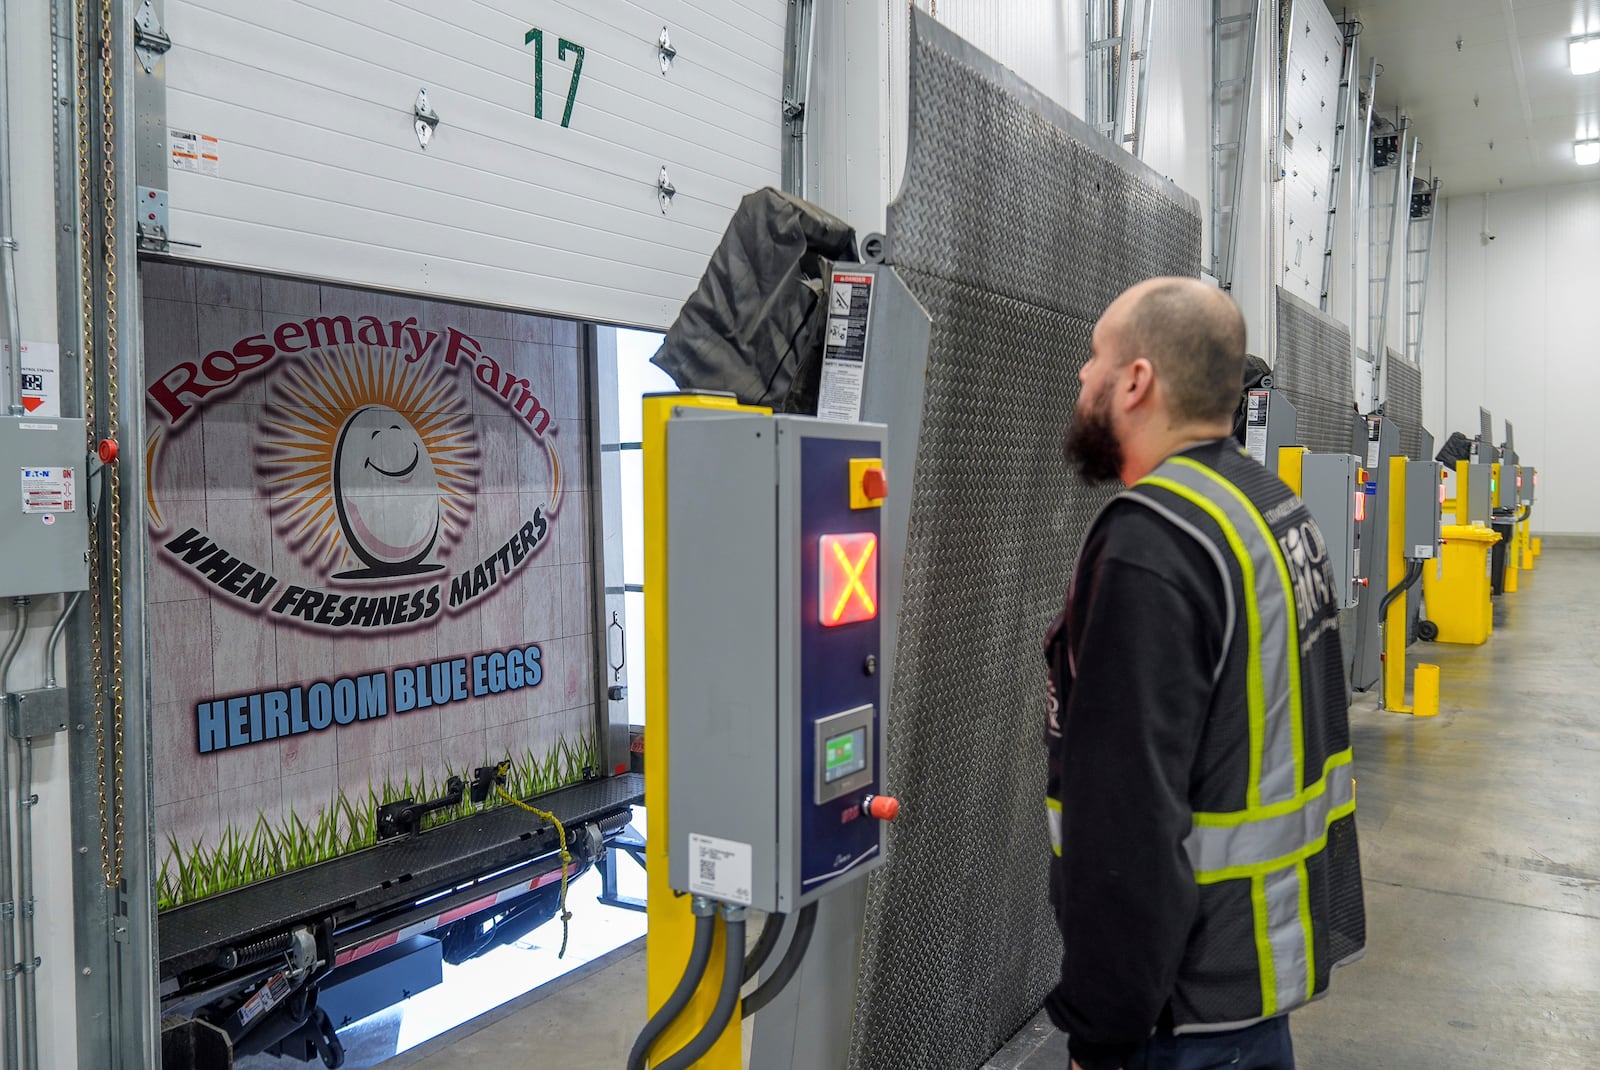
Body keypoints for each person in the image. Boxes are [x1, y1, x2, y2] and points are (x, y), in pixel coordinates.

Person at [1044, 277, 1366, 1070]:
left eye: (1094, 358)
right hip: (1253, 980)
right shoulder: (1273, 509)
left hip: (1175, 1015)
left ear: (1137, 381)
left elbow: (1128, 823)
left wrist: (1103, 1031)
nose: (1082, 377)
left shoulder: (1152, 544)